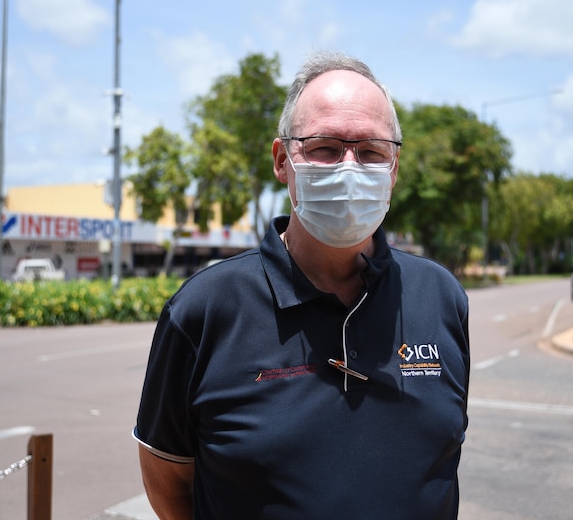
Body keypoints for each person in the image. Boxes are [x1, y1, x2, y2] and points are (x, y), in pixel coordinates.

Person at [134, 51, 470, 519]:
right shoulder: (204, 311)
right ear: (281, 160)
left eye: (371, 151)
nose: (349, 168)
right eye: (324, 148)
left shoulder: (441, 299)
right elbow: (168, 481)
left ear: (394, 169)